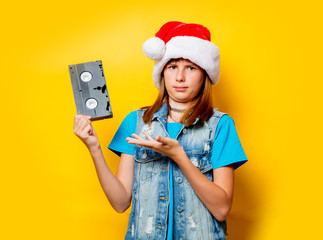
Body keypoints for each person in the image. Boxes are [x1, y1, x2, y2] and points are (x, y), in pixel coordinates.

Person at [73, 21, 248, 240]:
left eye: (191, 68)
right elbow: (120, 203)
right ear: (162, 72)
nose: (180, 77)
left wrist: (180, 157)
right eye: (172, 67)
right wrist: (94, 148)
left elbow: (222, 209)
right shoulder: (136, 122)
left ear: (204, 74)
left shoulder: (220, 125)